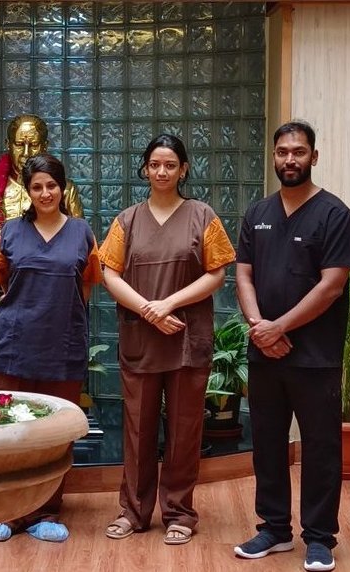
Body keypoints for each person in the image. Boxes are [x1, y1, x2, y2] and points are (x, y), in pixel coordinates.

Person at [234, 120, 350, 572]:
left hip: (315, 357)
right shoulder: (257, 212)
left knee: (321, 448)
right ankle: (274, 530)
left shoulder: (334, 214)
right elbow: (243, 274)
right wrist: (259, 328)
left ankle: (319, 538)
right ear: (274, 157)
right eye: (283, 152)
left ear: (314, 157)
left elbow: (331, 286)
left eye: (299, 152)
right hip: (265, 354)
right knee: (267, 443)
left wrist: (279, 328)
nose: (290, 159)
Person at [99, 134, 235, 545]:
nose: (161, 172)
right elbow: (109, 273)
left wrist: (168, 304)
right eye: (155, 165)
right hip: (141, 339)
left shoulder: (202, 216)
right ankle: (133, 511)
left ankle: (179, 512)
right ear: (145, 169)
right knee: (137, 429)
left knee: (184, 430)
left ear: (183, 169)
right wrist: (148, 310)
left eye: (170, 165)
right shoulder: (127, 221)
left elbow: (217, 273)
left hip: (186, 339)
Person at [0, 153, 103, 543]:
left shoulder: (82, 232)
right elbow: (6, 284)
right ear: (28, 191)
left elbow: (86, 286)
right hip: (15, 343)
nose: (45, 193)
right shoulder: (11, 232)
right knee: (11, 431)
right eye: (37, 187)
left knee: (56, 432)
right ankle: (8, 512)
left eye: (52, 185)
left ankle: (46, 512)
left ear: (62, 188)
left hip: (62, 342)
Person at [0, 114, 83, 253]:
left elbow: (78, 238)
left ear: (45, 146)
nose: (26, 153)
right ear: (8, 145)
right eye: (19, 145)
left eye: (34, 145)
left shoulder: (64, 190)